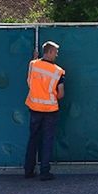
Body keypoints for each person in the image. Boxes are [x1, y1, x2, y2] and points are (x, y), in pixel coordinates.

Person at [25, 41, 65, 181]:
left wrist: (35, 57)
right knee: (47, 141)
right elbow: (61, 94)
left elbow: (29, 80)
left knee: (33, 139)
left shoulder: (33, 65)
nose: (56, 55)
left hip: (34, 107)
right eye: (55, 52)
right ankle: (44, 171)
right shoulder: (58, 71)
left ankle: (28, 170)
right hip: (50, 109)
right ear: (49, 52)